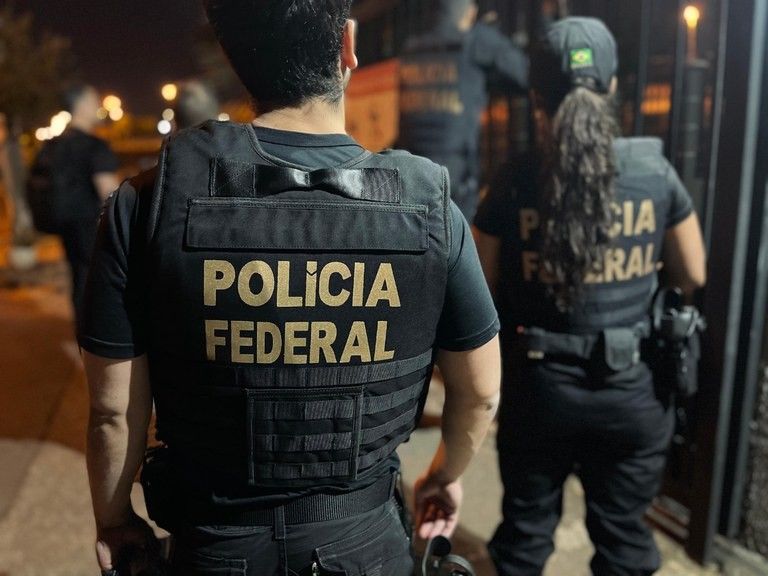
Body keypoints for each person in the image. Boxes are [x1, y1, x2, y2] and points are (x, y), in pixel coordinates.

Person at [80, 1, 502, 575]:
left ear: (236, 58)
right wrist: (445, 476)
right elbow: (479, 392)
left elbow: (112, 412)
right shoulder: (428, 207)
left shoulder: (145, 204)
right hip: (366, 543)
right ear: (347, 48)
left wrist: (114, 518)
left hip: (212, 547)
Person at [473, 18, 707, 576]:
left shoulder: (512, 179)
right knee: (625, 544)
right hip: (632, 394)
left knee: (524, 543)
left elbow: (480, 289)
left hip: (539, 394)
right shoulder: (654, 173)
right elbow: (693, 272)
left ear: (536, 97)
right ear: (614, 87)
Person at [397, 0, 528, 222]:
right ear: (468, 13)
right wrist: (488, 33)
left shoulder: (412, 48)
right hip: (455, 181)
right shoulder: (476, 40)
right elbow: (524, 73)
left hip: (411, 176)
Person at [28, 84, 119, 328]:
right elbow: (110, 194)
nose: (97, 104)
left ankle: (83, 332)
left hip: (65, 223)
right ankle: (100, 341)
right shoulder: (94, 146)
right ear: (80, 105)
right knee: (101, 284)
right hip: (92, 227)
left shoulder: (53, 145)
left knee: (79, 279)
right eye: (92, 99)